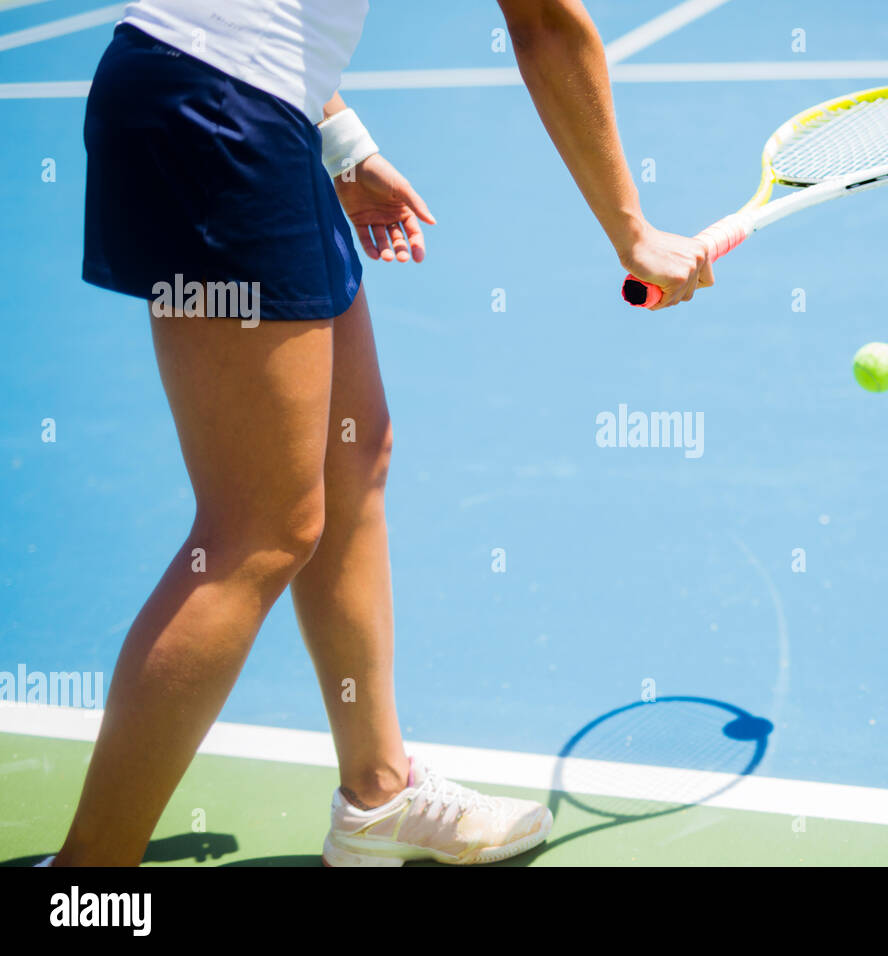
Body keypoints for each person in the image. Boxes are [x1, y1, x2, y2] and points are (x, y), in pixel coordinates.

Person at [50, 0, 713, 867]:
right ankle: (87, 883)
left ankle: (377, 793)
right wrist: (631, 228)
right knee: (253, 534)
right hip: (220, 115)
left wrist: (344, 143)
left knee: (353, 451)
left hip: (245, 108)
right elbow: (546, 24)